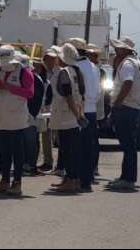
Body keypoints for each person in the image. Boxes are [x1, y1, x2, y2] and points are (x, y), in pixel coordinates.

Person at [0, 46, 34, 197]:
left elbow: (29, 93)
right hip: (0, 115)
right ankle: (4, 181)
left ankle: (17, 182)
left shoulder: (23, 71)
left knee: (16, 150)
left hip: (16, 117)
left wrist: (7, 86)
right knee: (4, 150)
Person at [108, 38, 140, 191]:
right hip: (133, 107)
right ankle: (125, 176)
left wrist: (118, 102)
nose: (116, 50)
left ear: (125, 50)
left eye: (118, 48)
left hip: (126, 107)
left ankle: (128, 179)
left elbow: (128, 83)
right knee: (128, 145)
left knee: (128, 145)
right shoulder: (137, 63)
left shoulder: (128, 64)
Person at [49, 44, 85, 193]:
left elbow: (68, 95)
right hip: (74, 115)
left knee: (67, 149)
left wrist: (76, 113)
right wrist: (79, 113)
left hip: (65, 115)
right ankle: (73, 179)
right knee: (72, 150)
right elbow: (81, 94)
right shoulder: (76, 71)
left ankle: (70, 179)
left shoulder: (64, 72)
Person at [66, 39, 100, 193]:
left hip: (80, 111)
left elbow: (76, 92)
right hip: (92, 111)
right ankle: (86, 181)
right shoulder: (94, 67)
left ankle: (75, 179)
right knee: (88, 148)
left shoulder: (76, 67)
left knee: (75, 148)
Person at [86, 44, 107, 181]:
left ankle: (93, 168)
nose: (92, 57)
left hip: (95, 110)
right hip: (91, 108)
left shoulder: (100, 72)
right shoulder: (90, 70)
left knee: (93, 141)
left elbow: (100, 92)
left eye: (93, 55)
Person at [38, 47, 60, 173]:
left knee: (58, 137)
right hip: (45, 106)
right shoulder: (41, 71)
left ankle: (59, 164)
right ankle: (47, 162)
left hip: (57, 106)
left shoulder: (59, 72)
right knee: (45, 134)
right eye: (48, 59)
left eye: (53, 59)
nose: (51, 62)